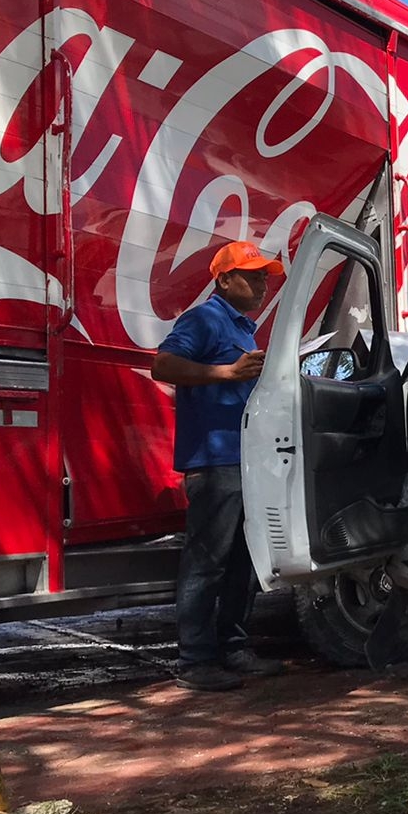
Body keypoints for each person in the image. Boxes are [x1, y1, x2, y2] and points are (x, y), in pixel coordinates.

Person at [153, 241, 288, 692]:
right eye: (251, 275)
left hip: (245, 464)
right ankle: (194, 661)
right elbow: (163, 365)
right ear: (224, 279)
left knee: (241, 563)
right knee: (207, 563)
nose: (261, 284)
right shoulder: (205, 319)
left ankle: (234, 648)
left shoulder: (243, 329)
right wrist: (227, 373)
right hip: (215, 463)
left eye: (265, 277)